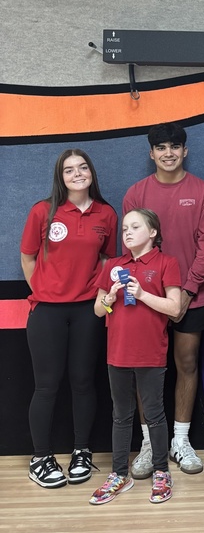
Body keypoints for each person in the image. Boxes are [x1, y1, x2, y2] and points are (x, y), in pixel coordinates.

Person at [123, 123, 204, 477]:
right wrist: (151, 294)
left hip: (192, 296)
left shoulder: (203, 192)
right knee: (147, 370)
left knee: (187, 362)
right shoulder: (135, 193)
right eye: (160, 147)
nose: (168, 153)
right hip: (147, 297)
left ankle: (181, 439)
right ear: (151, 153)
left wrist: (187, 292)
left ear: (184, 151)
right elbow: (130, 246)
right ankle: (150, 443)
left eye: (175, 146)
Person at [21, 149, 118, 488]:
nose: (77, 174)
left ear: (91, 171)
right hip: (46, 312)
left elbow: (107, 258)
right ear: (60, 178)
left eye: (82, 167)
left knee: (82, 382)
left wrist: (95, 296)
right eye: (69, 170)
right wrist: (46, 291)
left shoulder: (106, 213)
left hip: (87, 312)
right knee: (46, 386)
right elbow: (27, 257)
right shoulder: (42, 211)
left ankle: (81, 451)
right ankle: (41, 457)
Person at [90, 210, 182, 505]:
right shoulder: (115, 266)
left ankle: (161, 471)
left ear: (153, 232)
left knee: (154, 414)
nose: (127, 232)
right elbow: (98, 310)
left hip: (151, 353)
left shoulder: (167, 263)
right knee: (121, 415)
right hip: (117, 353)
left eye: (135, 227)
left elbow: (175, 308)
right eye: (125, 228)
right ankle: (119, 474)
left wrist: (141, 294)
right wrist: (109, 299)